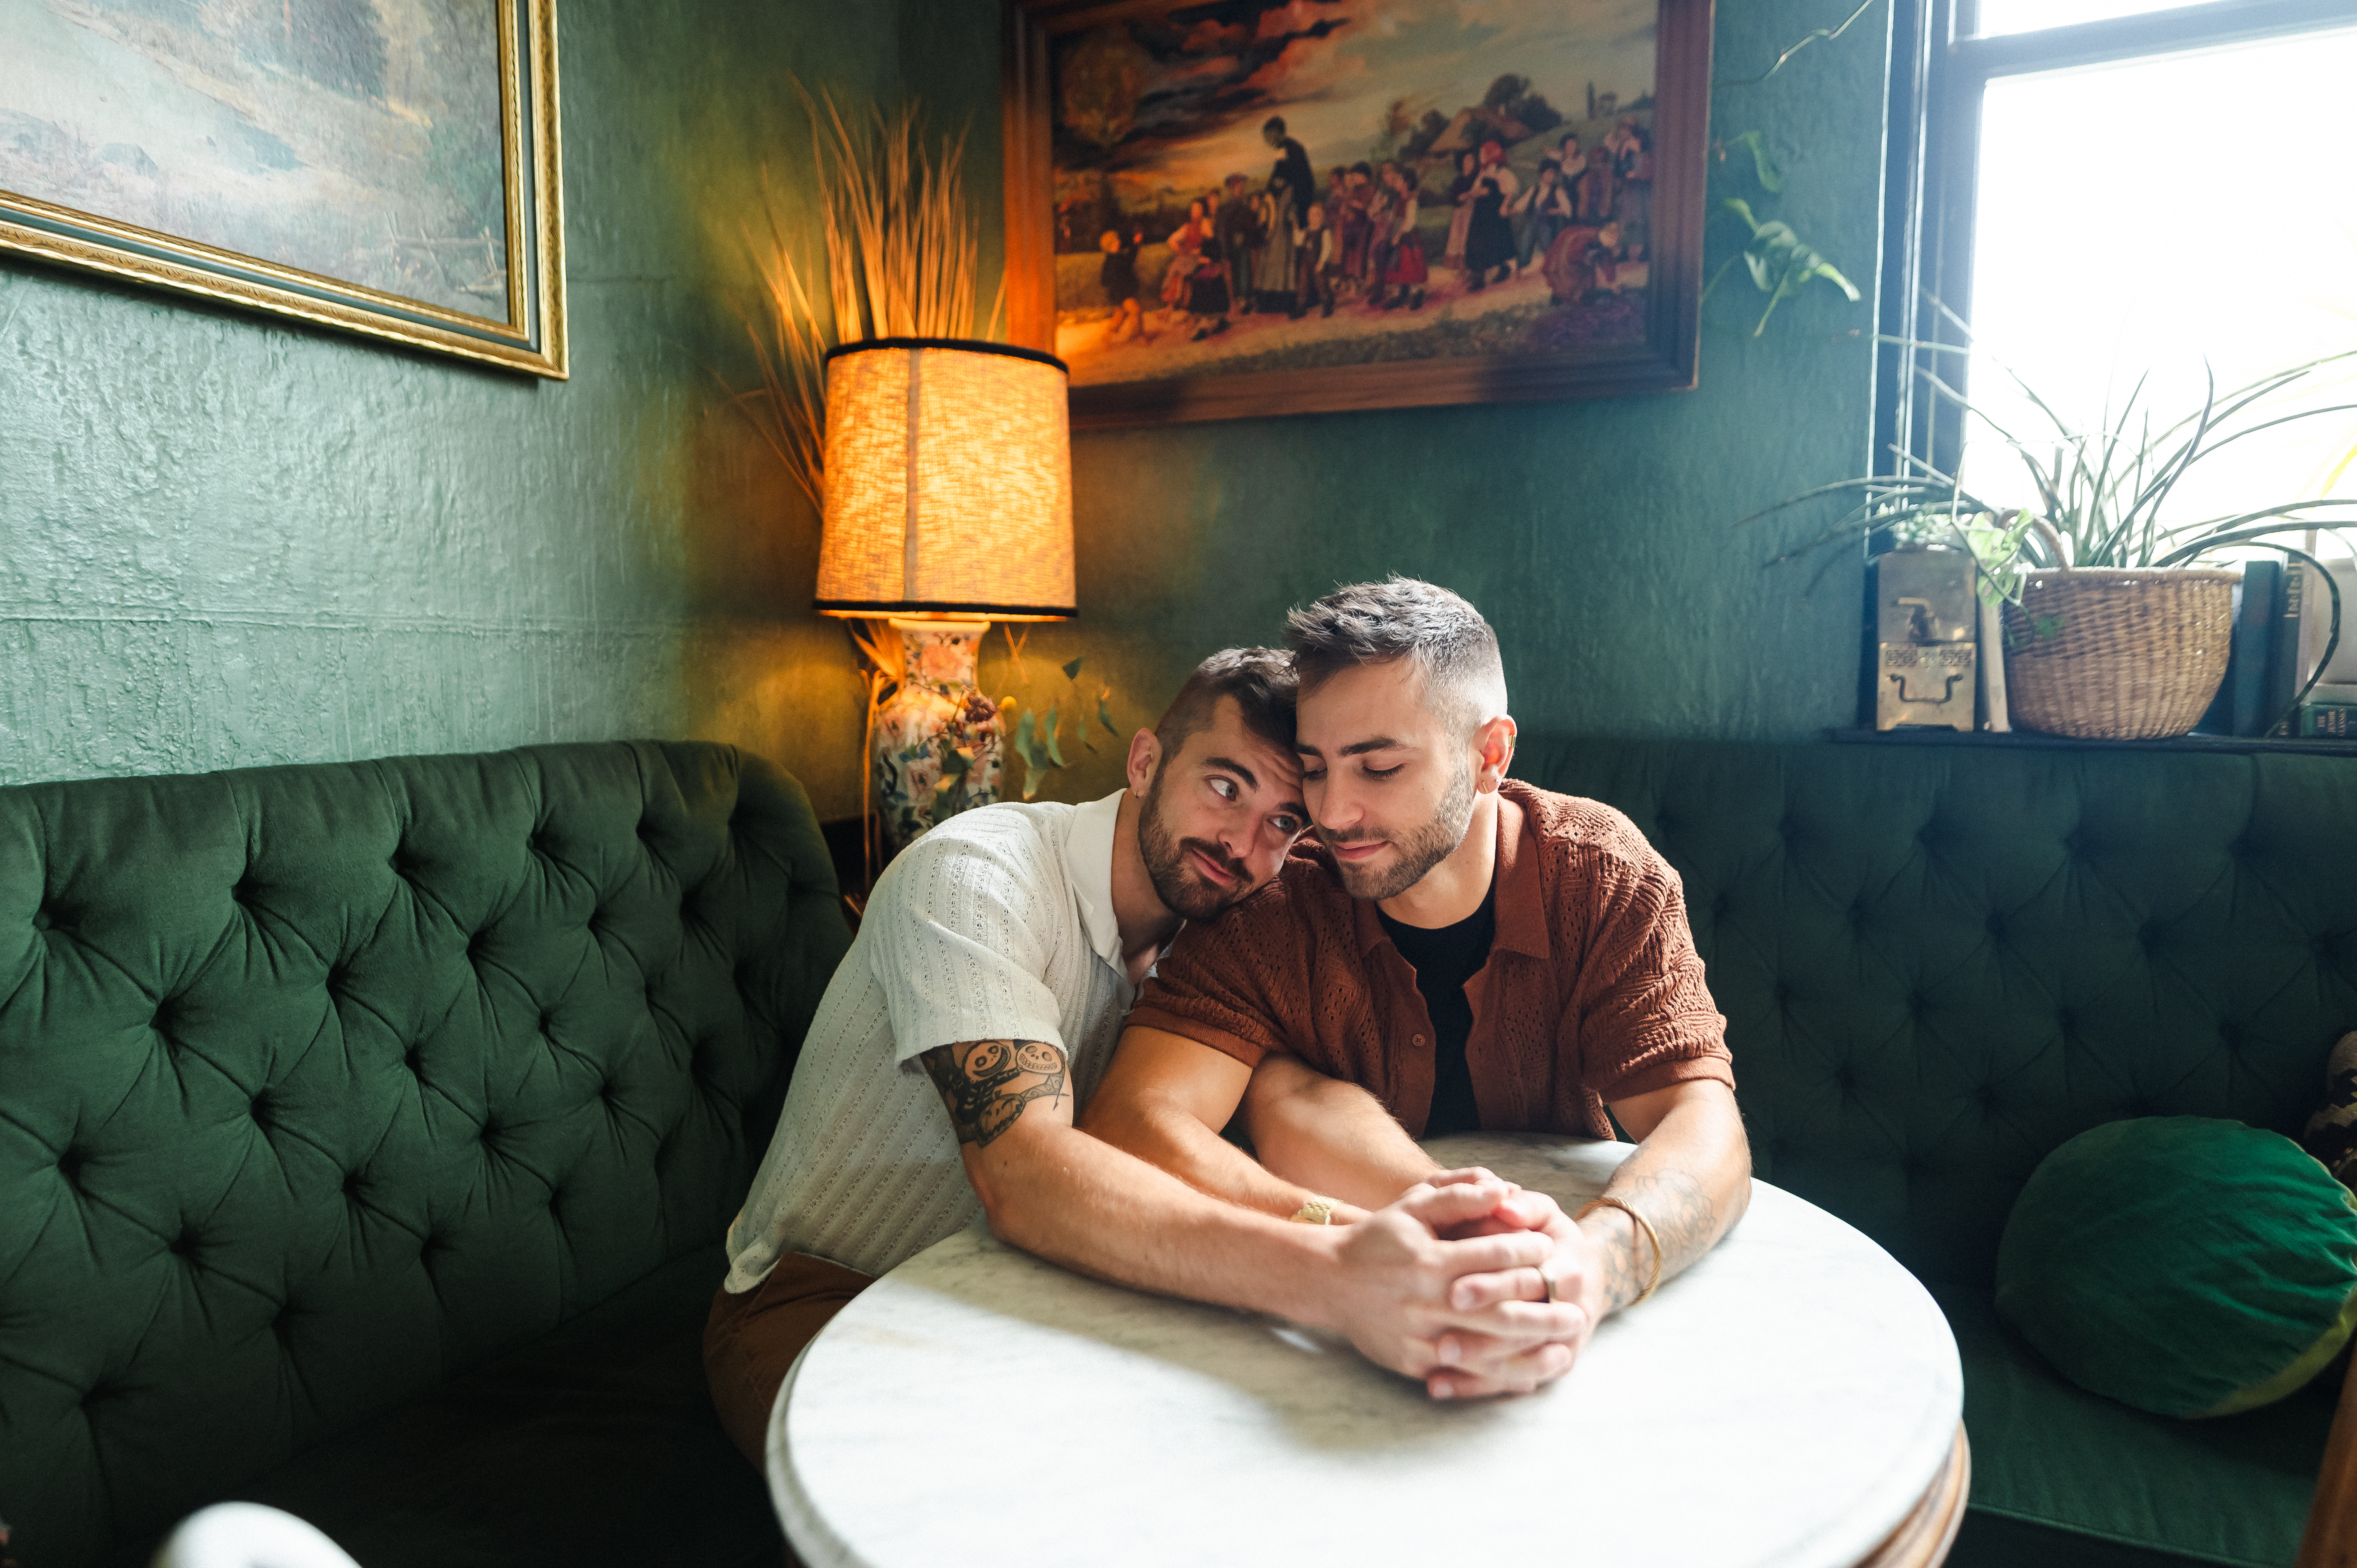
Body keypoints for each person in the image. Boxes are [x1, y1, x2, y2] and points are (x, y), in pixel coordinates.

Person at [704, 647, 1596, 1465]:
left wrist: (1423, 1220)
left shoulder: (1221, 936)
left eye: (1285, 819)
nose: (1244, 842)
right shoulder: (977, 873)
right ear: (1143, 762)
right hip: (824, 1297)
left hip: (1030, 1291)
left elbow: (1293, 1094)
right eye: (1224, 785)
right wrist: (1337, 1270)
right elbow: (1026, 1174)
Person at [1081, 580, 1752, 1377]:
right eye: (1316, 769)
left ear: (1489, 756)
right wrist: (1353, 1241)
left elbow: (1702, 1117)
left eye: (1380, 768)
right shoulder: (1278, 893)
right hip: (1325, 1341)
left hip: (1564, 1312)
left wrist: (1594, 1265)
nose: (1333, 812)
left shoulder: (1598, 873)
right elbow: (1130, 1120)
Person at [1461, 141, 1520, 290]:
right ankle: (1479, 278)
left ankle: (1501, 269)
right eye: (1481, 153)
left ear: (1492, 154)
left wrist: (1505, 205)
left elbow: (1509, 190)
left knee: (1493, 243)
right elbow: (1477, 190)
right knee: (1476, 243)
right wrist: (1471, 194)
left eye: (1483, 153)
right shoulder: (1483, 172)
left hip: (1494, 213)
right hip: (1481, 214)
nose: (1480, 156)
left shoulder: (1501, 172)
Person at [1372, 161, 1428, 311]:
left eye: (1400, 181)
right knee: (1395, 265)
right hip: (1395, 237)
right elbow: (1392, 219)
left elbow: (1410, 222)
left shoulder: (1412, 201)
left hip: (1406, 238)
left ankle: (1416, 293)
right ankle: (1398, 295)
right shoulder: (1397, 201)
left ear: (1407, 183)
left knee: (1409, 266)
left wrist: (1399, 234)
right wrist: (1390, 234)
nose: (1396, 183)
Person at [1511, 159, 1572, 272]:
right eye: (1549, 173)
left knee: (1548, 247)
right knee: (1525, 244)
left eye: (1553, 173)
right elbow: (1523, 203)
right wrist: (1511, 210)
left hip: (1546, 224)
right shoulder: (1535, 189)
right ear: (1542, 174)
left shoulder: (1557, 191)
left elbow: (1568, 209)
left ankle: (1554, 267)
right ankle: (1521, 269)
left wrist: (1554, 211)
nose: (1551, 176)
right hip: (1532, 222)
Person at [1291, 199, 1337, 320]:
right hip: (1306, 262)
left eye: (1317, 214)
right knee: (1302, 283)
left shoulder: (1325, 231)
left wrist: (1322, 261)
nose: (1314, 217)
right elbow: (1298, 243)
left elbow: (1328, 248)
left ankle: (1327, 303)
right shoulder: (1306, 231)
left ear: (1322, 217)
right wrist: (1296, 231)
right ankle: (1301, 307)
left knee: (1321, 283)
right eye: (1311, 214)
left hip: (1318, 262)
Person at [1099, 225, 1145, 343]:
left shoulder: (1115, 258)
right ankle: (1138, 336)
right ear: (1111, 245)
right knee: (1136, 310)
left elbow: (1130, 259)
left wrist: (1136, 244)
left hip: (1120, 293)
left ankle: (1107, 336)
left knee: (1120, 316)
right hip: (1121, 294)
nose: (1119, 242)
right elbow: (1105, 280)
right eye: (1116, 240)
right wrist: (1136, 244)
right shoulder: (1114, 261)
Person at [1442, 150, 1478, 270]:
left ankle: (1472, 267)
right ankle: (1461, 269)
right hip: (1460, 214)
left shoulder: (1477, 178)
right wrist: (1463, 197)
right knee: (1458, 240)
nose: (1470, 163)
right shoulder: (1458, 181)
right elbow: (1453, 198)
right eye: (1467, 160)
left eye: (1472, 160)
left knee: (1470, 239)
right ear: (1462, 163)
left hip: (1473, 212)